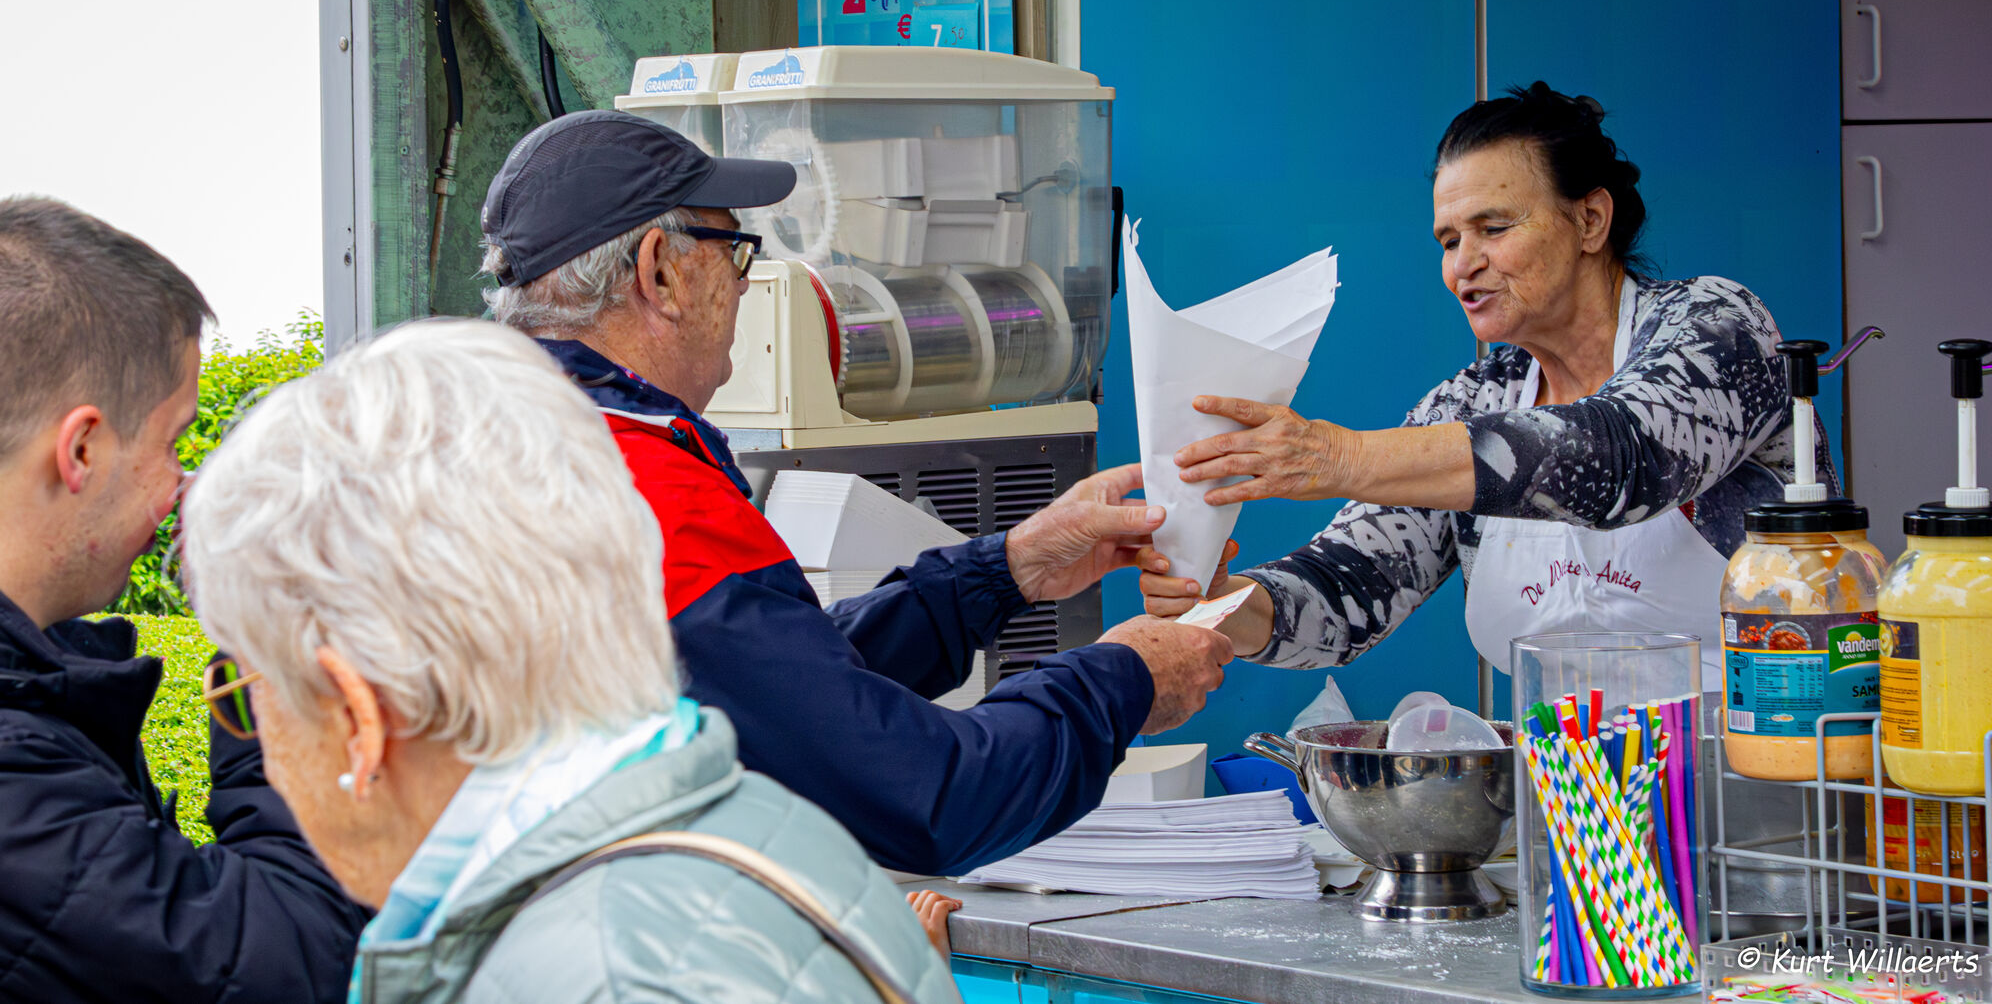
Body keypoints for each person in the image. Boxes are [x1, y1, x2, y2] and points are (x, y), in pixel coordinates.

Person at [476, 110, 1232, 876]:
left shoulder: (519, 449)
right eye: (734, 251)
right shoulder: (643, 494)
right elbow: (929, 796)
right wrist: (1125, 679)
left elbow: (774, 689)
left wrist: (1006, 571)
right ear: (660, 273)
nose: (745, 285)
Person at [178, 319, 961, 1003]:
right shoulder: (752, 829)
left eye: (243, 698)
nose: (266, 760)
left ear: (358, 717)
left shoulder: (585, 972)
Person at [1140, 82, 1831, 686]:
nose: (1462, 266)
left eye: (1493, 228)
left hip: (1755, 772)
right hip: (1564, 785)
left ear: (1590, 220)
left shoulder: (1719, 328)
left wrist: (1340, 456)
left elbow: (1624, 456)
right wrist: (1217, 600)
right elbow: (1345, 594)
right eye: (1448, 241)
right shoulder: (1474, 402)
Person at [0, 197, 367, 1001]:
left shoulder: (34, 684)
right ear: (81, 448)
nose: (184, 486)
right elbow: (300, 957)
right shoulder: (16, 775)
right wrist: (268, 629)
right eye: (173, 442)